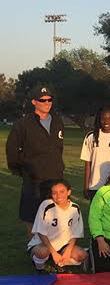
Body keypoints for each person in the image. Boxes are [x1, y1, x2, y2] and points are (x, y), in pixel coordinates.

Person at [6, 86, 64, 235]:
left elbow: (59, 149)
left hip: (55, 179)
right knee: (32, 218)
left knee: (55, 217)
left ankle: (53, 253)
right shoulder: (23, 124)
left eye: (49, 99)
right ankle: (35, 253)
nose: (47, 102)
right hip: (34, 181)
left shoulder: (57, 121)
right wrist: (24, 171)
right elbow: (12, 151)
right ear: (34, 102)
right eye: (42, 100)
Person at [28, 179, 87, 271]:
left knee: (82, 255)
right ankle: (40, 267)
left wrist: (68, 251)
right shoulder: (46, 205)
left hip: (63, 245)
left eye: (62, 192)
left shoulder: (75, 208)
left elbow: (75, 233)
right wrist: (53, 253)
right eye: (54, 193)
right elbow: (41, 232)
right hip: (44, 244)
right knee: (42, 252)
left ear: (68, 192)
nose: (58, 195)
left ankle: (59, 263)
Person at [81, 106, 110, 201]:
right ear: (99, 119)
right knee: (96, 215)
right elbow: (87, 163)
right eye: (103, 119)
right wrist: (86, 186)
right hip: (95, 185)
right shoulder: (91, 136)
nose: (106, 122)